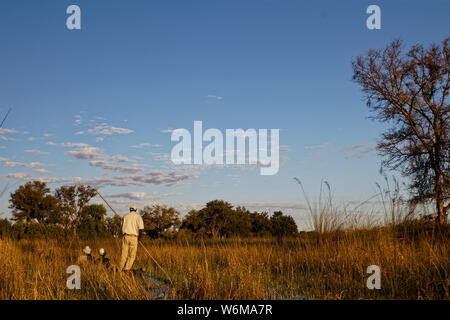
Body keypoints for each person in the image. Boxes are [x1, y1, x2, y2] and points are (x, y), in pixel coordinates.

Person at [119, 204, 144, 271]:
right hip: (134, 237)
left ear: (130, 209)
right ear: (136, 210)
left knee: (123, 255)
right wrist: (139, 239)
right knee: (131, 256)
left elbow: (121, 227)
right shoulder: (138, 217)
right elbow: (140, 229)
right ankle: (126, 269)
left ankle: (120, 270)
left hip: (125, 236)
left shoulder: (125, 216)